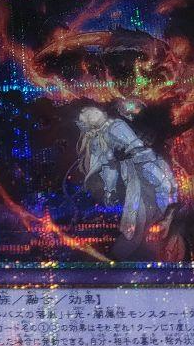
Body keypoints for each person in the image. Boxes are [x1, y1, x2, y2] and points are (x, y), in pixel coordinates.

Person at [72, 103, 177, 246]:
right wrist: (110, 190)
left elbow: (135, 146)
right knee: (141, 205)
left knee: (167, 187)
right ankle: (137, 235)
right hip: (135, 168)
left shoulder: (116, 124)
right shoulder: (102, 137)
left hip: (147, 159)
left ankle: (159, 223)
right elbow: (108, 166)